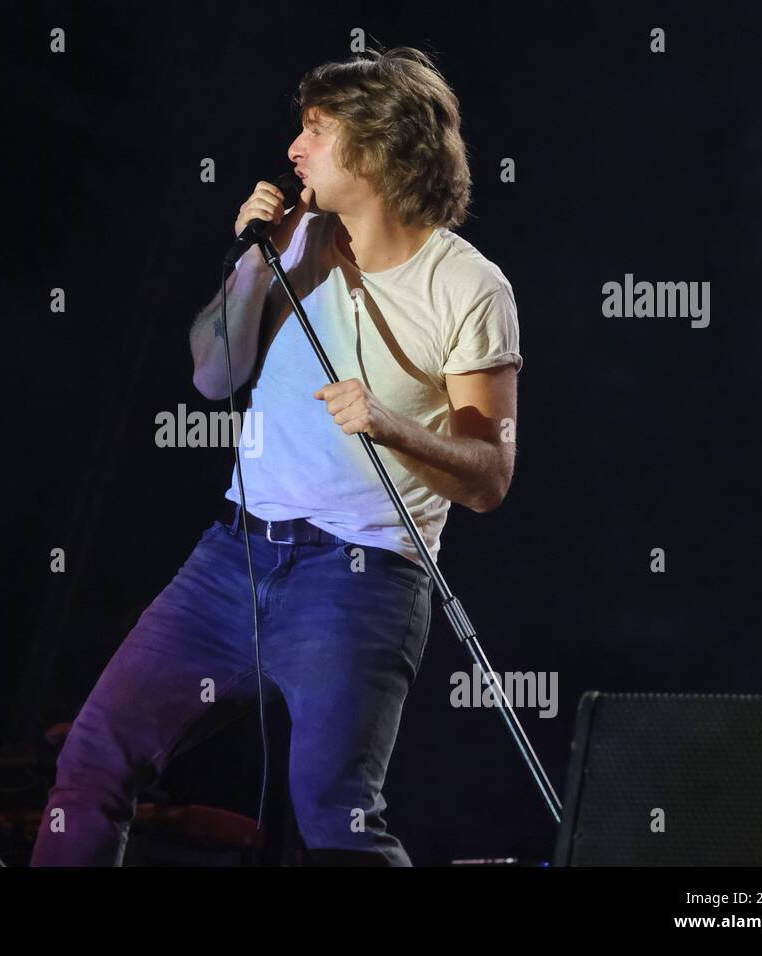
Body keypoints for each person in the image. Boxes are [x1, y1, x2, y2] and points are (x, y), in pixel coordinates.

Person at [32, 46, 521, 866]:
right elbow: (210, 373)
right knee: (91, 760)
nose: (294, 150)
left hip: (360, 577)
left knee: (337, 818)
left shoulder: (468, 288)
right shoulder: (297, 241)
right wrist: (256, 261)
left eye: (316, 131)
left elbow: (490, 477)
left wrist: (392, 427)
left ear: (377, 145)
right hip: (235, 557)